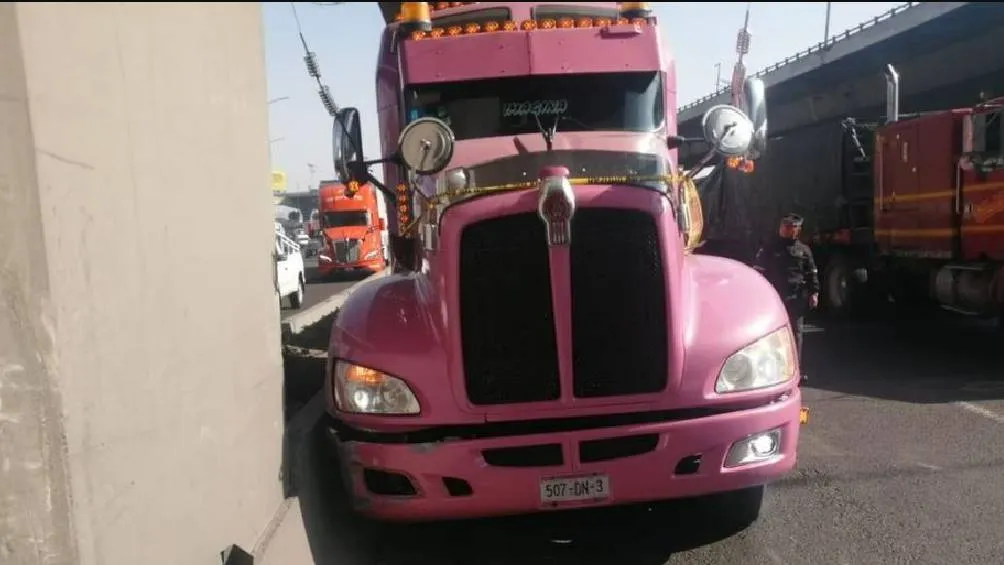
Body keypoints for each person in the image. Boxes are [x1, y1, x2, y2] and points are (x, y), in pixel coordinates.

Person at [753, 213, 820, 383]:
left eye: (791, 227)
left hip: (795, 296)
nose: (786, 230)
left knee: (796, 333)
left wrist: (814, 293)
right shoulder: (769, 248)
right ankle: (772, 371)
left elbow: (811, 273)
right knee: (772, 334)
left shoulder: (804, 250)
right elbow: (758, 272)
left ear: (797, 230)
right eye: (784, 226)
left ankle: (795, 371)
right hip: (775, 296)